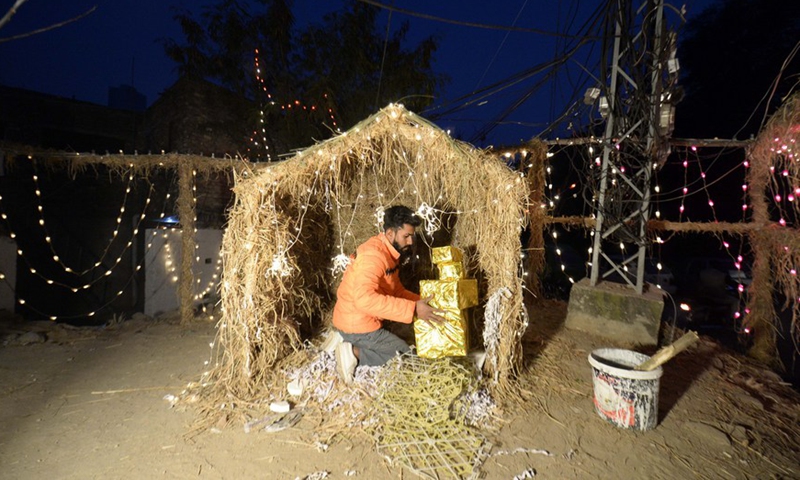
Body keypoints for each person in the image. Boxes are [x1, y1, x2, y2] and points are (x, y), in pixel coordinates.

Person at [332, 205, 446, 383]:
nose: (410, 242)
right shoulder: (373, 256)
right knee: (407, 358)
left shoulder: (389, 253)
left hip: (366, 320)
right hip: (357, 323)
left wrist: (422, 303)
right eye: (406, 236)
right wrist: (414, 309)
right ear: (391, 233)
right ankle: (353, 351)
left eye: (411, 236)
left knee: (410, 342)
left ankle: (354, 342)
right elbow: (364, 299)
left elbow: (397, 291)